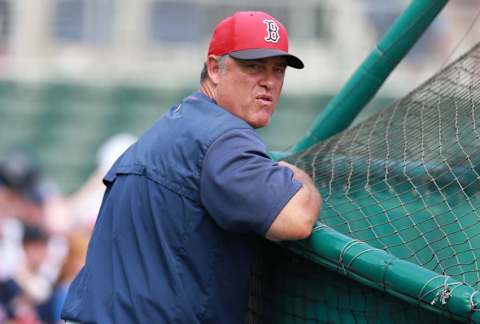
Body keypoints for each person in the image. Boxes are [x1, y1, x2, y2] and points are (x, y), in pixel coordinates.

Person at [61, 10, 321, 323]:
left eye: (278, 70)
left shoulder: (180, 123)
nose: (268, 82)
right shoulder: (223, 137)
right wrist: (299, 177)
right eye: (254, 67)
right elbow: (297, 219)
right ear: (214, 68)